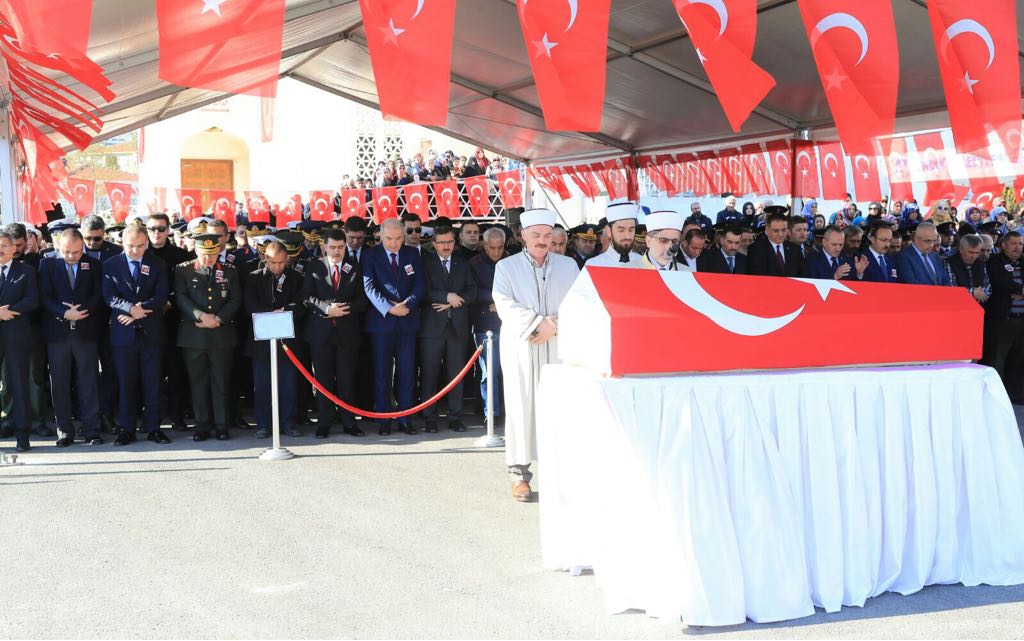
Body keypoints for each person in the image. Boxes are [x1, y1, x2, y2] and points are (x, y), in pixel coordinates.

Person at [493, 208, 579, 502]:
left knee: (558, 407)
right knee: (521, 405)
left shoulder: (569, 266)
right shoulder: (506, 267)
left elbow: (580, 303)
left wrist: (553, 326)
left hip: (557, 343)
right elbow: (504, 304)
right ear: (523, 236)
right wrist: (537, 324)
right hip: (523, 344)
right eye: (536, 235)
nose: (542, 241)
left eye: (547, 235)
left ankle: (560, 474)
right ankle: (519, 475)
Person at [102, 225, 170, 446]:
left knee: (152, 383)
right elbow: (109, 296)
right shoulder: (111, 265)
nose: (135, 250)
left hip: (151, 332)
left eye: (140, 246)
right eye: (131, 246)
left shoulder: (157, 264)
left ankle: (153, 428)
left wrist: (138, 312)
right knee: (126, 383)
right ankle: (126, 429)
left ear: (146, 244)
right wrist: (130, 309)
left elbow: (161, 296)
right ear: (123, 243)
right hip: (123, 334)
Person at [38, 229, 104, 447]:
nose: (71, 257)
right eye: (66, 252)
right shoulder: (47, 264)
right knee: (59, 383)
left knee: (89, 381)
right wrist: (63, 312)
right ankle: (65, 430)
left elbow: (98, 294)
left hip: (85, 332)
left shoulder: (92, 264)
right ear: (58, 246)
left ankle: (92, 429)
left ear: (82, 247)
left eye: (76, 252)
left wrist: (82, 310)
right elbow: (44, 296)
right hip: (58, 334)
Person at [176, 233, 242, 442]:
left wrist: (219, 318)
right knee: (198, 383)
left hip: (221, 333)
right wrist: (201, 315)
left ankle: (221, 425)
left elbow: (235, 299)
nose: (209, 258)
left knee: (221, 382)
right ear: (196, 250)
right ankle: (202, 425)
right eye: (204, 253)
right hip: (194, 335)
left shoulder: (229, 271)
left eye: (213, 253)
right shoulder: (183, 270)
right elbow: (180, 296)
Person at [362, 218, 424, 435]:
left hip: (407, 320)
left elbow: (419, 283)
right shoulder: (371, 254)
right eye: (389, 238)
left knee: (407, 373)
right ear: (380, 235)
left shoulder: (412, 254)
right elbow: (369, 287)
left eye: (398, 238)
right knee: (381, 373)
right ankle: (384, 419)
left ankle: (405, 418)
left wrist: (408, 303)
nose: (394, 243)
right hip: (382, 323)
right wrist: (388, 308)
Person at [303, 228, 367, 438]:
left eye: (341, 247)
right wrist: (328, 309)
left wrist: (344, 308)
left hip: (347, 332)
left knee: (347, 379)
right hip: (321, 333)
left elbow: (362, 299)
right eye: (332, 247)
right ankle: (325, 421)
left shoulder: (354, 267)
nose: (337, 252)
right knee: (323, 380)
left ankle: (349, 421)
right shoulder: (314, 266)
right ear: (324, 246)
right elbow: (307, 297)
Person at [418, 226, 477, 433]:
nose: (446, 246)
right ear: (433, 244)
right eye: (441, 242)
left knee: (455, 375)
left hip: (457, 327)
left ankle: (455, 417)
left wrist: (454, 301)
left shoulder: (463, 263)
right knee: (429, 374)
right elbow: (422, 291)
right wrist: (445, 297)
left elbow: (472, 290)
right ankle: (429, 418)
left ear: (455, 242)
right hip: (432, 328)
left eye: (449, 242)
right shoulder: (425, 263)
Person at [245, 240, 305, 439]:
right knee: (262, 385)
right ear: (265, 259)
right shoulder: (253, 278)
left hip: (287, 339)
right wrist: (270, 312)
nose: (277, 267)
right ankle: (263, 424)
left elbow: (302, 302)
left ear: (286, 259)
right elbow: (249, 304)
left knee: (288, 384)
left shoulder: (295, 277)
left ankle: (288, 423)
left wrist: (286, 311)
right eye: (273, 263)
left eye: (281, 262)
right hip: (261, 341)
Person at [145, 212, 193, 431]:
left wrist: (168, 302)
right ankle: (151, 415)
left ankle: (177, 415)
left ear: (168, 230)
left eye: (161, 229)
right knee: (151, 371)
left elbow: (187, 288)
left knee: (176, 371)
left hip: (174, 319)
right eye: (152, 228)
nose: (157, 233)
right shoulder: (140, 253)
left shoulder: (181, 256)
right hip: (147, 320)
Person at [0, 231, 39, 452]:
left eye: (5, 245)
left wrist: (10, 311)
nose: (1, 249)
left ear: (14, 247)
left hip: (17, 336)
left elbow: (32, 300)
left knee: (19, 385)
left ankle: (22, 436)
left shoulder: (26, 271)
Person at [469, 227, 506, 421]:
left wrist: (501, 303)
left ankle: (506, 409)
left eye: (500, 247)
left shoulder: (510, 261)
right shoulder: (474, 264)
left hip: (507, 324)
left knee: (507, 372)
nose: (496, 252)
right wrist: (500, 300)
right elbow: (472, 292)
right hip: (484, 325)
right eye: (492, 247)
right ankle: (490, 412)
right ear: (484, 245)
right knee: (487, 372)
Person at [984, 231, 1024, 400]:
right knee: (997, 360)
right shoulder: (994, 261)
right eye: (1014, 243)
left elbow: (1008, 286)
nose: (1018, 247)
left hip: (1021, 320)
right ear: (1003, 245)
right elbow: (1000, 283)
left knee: (1018, 361)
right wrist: (1020, 289)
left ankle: (1015, 396)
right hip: (1002, 321)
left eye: (1020, 244)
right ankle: (996, 398)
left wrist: (1015, 290)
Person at [747, 212, 805, 277]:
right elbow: (755, 274)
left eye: (783, 230)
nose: (780, 234)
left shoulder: (795, 249)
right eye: (776, 231)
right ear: (767, 230)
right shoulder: (755, 249)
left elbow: (803, 275)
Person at [586, 203, 641, 267]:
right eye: (621, 230)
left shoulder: (645, 265)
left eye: (631, 230)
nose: (627, 236)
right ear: (609, 231)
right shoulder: (593, 265)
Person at [945, 234, 990, 305]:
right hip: (957, 308)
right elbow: (951, 290)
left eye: (977, 253)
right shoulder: (949, 263)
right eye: (971, 252)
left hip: (979, 308)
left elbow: (988, 286)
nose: (974, 256)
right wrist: (973, 292)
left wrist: (979, 293)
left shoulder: (981, 263)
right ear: (961, 249)